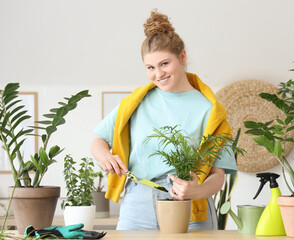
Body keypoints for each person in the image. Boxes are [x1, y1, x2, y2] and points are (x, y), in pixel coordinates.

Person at [90, 10, 237, 230]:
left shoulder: (211, 111)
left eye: (164, 64)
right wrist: (105, 157)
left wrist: (196, 190)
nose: (158, 74)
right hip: (137, 203)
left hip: (190, 205)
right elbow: (98, 140)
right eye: (150, 67)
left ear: (183, 57)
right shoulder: (135, 103)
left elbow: (218, 175)